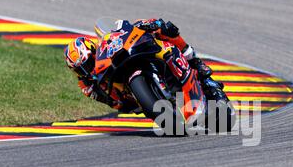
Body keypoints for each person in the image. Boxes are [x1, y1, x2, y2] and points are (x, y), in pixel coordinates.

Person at [64, 18, 227, 114]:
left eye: (87, 63)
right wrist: (122, 103)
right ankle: (162, 103)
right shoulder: (86, 84)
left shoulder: (104, 49)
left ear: (93, 51)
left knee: (164, 28)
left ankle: (195, 61)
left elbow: (127, 29)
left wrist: (147, 24)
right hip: (128, 95)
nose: (86, 70)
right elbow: (110, 102)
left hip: (134, 55)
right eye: (80, 68)